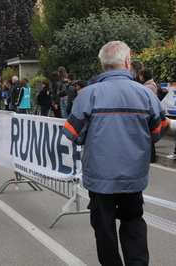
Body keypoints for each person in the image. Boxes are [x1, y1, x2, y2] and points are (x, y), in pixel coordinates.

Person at [63, 41, 168, 266]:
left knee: (104, 228)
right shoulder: (147, 94)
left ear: (102, 66)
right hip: (133, 175)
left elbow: (72, 133)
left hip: (100, 176)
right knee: (133, 222)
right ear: (128, 62)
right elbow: (158, 132)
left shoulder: (88, 94)